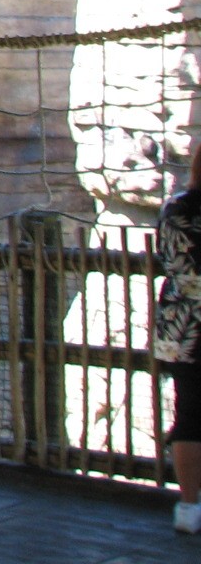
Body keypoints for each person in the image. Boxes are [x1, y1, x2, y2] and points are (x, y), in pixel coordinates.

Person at [155, 140, 201, 533]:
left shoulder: (174, 208)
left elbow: (166, 256)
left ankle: (188, 506)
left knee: (188, 414)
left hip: (181, 325)